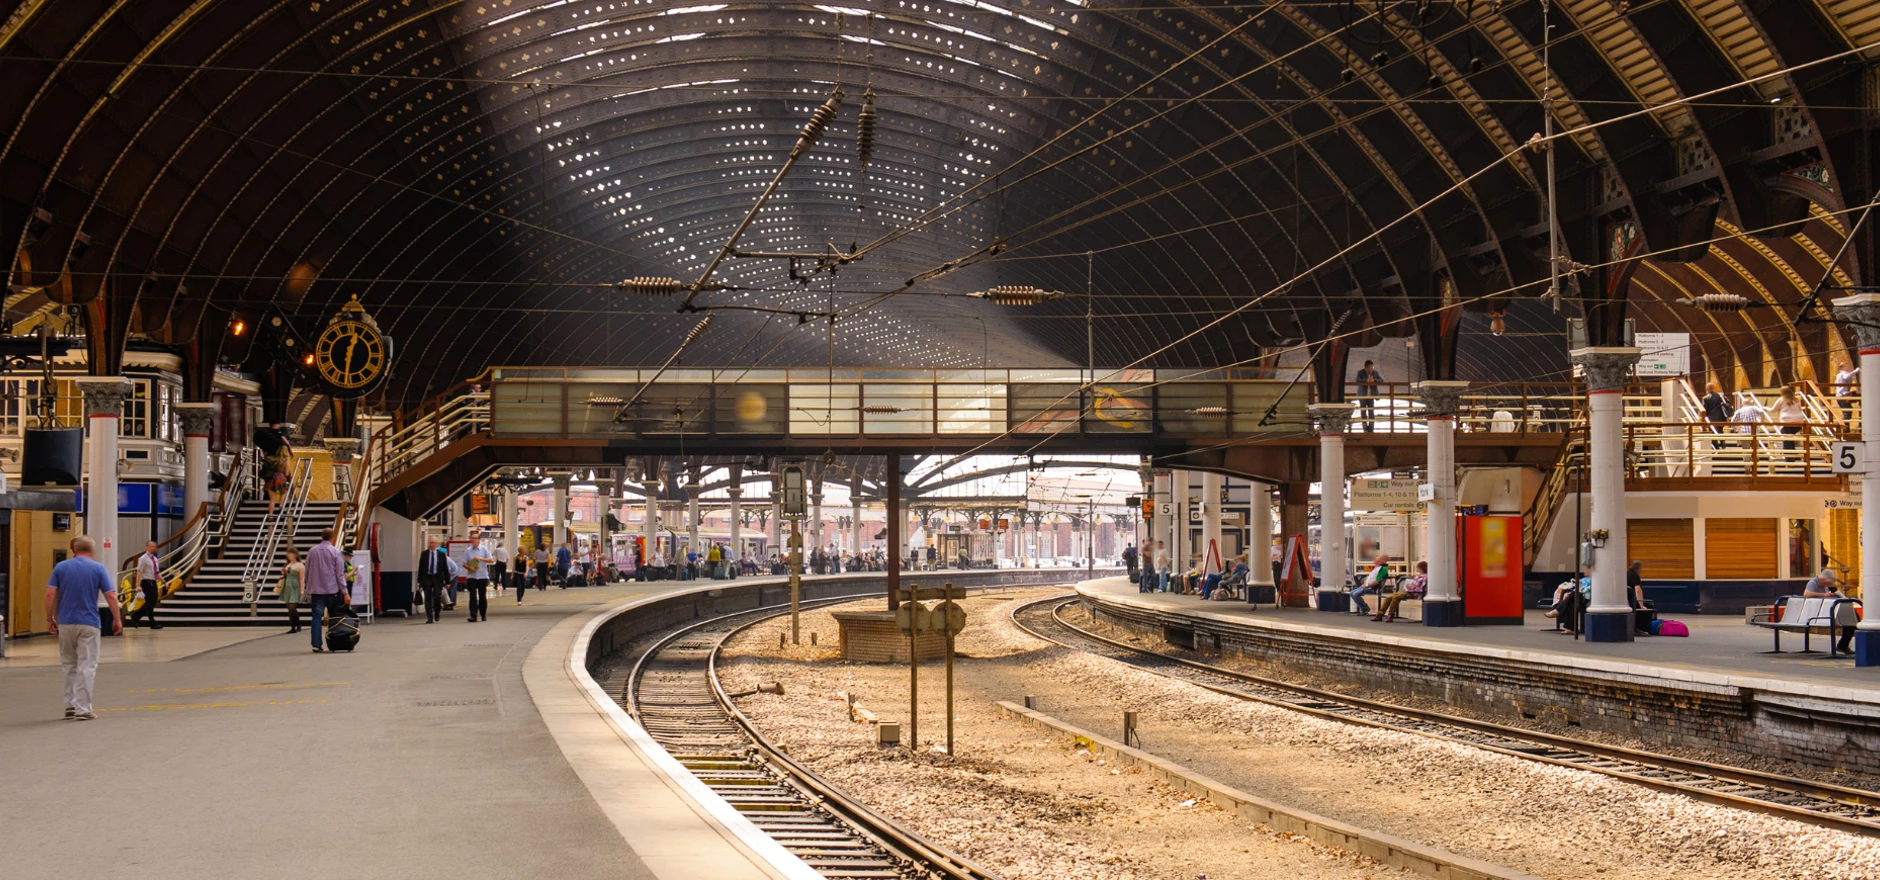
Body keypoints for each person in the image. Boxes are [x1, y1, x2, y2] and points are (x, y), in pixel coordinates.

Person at [46, 536, 121, 720]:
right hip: (89, 622)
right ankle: (83, 709)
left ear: (75, 550)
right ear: (93, 551)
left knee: (68, 664)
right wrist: (117, 618)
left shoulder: (61, 567)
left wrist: (50, 618)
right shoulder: (98, 568)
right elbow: (110, 595)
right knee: (87, 665)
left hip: (65, 622)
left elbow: (50, 594)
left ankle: (69, 705)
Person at [304, 528, 349, 651]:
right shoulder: (336, 552)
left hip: (316, 591)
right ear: (333, 538)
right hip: (332, 591)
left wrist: (307, 587)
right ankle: (334, 641)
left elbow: (307, 570)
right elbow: (339, 574)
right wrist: (345, 592)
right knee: (334, 617)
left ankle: (316, 644)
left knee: (316, 617)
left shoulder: (312, 551)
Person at [1804, 568, 1857, 654]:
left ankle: (1843, 645)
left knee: (1851, 620)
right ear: (1823, 579)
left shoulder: (1825, 586)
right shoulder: (1813, 583)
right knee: (1849, 620)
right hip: (1818, 612)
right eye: (1828, 583)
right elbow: (1806, 594)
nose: (1829, 585)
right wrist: (1823, 595)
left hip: (1828, 609)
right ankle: (1842, 645)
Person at [128, 540, 164, 629]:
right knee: (149, 602)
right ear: (147, 547)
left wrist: (164, 581)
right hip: (146, 582)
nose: (154, 548)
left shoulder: (155, 559)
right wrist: (138, 585)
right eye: (152, 546)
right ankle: (152, 622)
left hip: (153, 581)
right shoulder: (143, 558)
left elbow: (157, 572)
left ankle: (136, 616)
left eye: (155, 547)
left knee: (152, 602)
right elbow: (139, 571)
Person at [417, 535, 451, 624]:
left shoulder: (441, 554)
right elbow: (421, 567)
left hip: (437, 578)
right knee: (427, 598)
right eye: (430, 543)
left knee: (437, 596)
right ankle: (429, 617)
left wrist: (447, 582)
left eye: (433, 543)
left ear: (436, 544)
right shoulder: (424, 554)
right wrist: (419, 581)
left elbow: (445, 568)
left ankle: (437, 612)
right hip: (427, 577)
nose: (431, 545)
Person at [276, 547, 306, 634]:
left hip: (295, 586)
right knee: (289, 607)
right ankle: (293, 626)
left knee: (292, 607)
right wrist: (282, 574)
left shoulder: (300, 565)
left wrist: (302, 590)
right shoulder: (287, 565)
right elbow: (285, 576)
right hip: (287, 586)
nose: (289, 555)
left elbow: (301, 578)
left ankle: (298, 624)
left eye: (291, 554)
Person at [463, 535, 492, 622]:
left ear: (479, 540)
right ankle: (473, 615)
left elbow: (491, 560)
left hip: (482, 576)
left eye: (475, 538)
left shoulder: (484, 549)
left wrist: (481, 559)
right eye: (471, 538)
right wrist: (470, 568)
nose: (473, 540)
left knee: (482, 596)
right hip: (472, 576)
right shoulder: (468, 551)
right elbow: (464, 563)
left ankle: (483, 614)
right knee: (472, 596)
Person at [1772, 386, 1806, 451]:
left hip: (1786, 422)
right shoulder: (1796, 400)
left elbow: (1773, 410)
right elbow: (1800, 409)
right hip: (1798, 422)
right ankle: (1793, 454)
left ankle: (1789, 458)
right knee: (1790, 439)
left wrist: (1765, 408)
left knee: (1787, 441)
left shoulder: (1782, 399)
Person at [1701, 381, 1733, 450]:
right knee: (1720, 430)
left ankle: (1716, 447)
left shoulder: (1705, 398)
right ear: (1713, 388)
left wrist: (1704, 419)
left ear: (1707, 389)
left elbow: (1704, 409)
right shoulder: (1720, 395)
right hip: (1721, 416)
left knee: (1712, 431)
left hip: (1711, 417)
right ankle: (1722, 442)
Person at [1354, 359, 1382, 431]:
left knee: (1371, 412)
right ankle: (1365, 428)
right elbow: (1357, 380)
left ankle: (1371, 428)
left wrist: (1374, 380)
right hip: (1363, 395)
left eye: (1372, 367)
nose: (1371, 369)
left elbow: (1381, 380)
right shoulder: (1360, 372)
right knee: (1363, 412)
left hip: (1371, 395)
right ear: (1366, 367)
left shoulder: (1375, 373)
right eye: (1370, 367)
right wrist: (1366, 381)